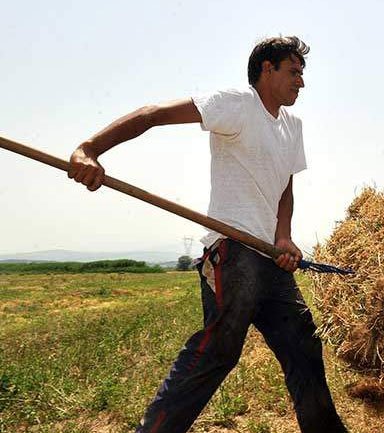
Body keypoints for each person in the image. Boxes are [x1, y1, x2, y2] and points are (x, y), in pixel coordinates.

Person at [68, 36, 347, 433]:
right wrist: (89, 149)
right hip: (234, 254)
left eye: (302, 74)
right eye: (294, 72)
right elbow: (151, 115)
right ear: (267, 69)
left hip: (270, 258)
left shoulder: (292, 126)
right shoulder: (237, 104)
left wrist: (283, 236)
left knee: (303, 344)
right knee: (218, 351)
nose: (301, 82)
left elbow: (285, 188)